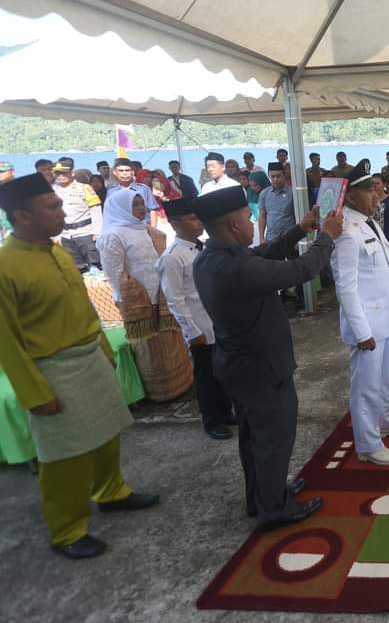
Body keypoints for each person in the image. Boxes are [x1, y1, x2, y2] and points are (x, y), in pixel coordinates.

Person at [0, 174, 159, 560]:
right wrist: (35, 393)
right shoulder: (6, 265)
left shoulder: (56, 252)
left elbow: (83, 307)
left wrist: (103, 347)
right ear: (21, 216)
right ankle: (67, 530)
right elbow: (7, 342)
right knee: (64, 456)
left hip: (89, 357)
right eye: (51, 207)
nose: (61, 212)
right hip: (53, 369)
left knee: (107, 432)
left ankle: (112, 492)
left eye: (59, 204)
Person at [192, 186, 342, 532]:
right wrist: (327, 238)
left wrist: (299, 230)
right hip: (261, 367)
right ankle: (274, 508)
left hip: (238, 365)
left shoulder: (213, 259)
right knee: (274, 438)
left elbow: (265, 253)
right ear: (233, 225)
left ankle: (260, 495)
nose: (252, 223)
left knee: (254, 436)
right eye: (247, 218)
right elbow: (299, 271)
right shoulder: (234, 267)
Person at [330, 169, 389, 465]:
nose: (376, 196)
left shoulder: (369, 223)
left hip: (383, 318)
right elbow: (346, 287)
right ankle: (367, 444)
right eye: (369, 191)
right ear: (351, 196)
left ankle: (386, 421)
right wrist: (361, 331)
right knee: (365, 386)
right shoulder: (345, 231)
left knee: (383, 378)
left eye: (376, 189)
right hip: (366, 324)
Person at [96, 188, 192, 401]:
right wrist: (135, 298)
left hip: (161, 294)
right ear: (121, 208)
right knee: (150, 347)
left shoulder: (147, 230)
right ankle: (159, 391)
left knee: (170, 339)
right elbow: (115, 274)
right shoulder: (113, 235)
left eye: (142, 203)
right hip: (137, 300)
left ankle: (181, 383)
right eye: (135, 205)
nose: (142, 208)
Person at [156, 198, 234, 440]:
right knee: (206, 376)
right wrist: (191, 331)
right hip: (199, 325)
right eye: (192, 218)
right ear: (175, 224)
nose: (199, 222)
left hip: (217, 320)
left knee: (222, 370)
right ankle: (212, 420)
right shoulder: (172, 257)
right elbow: (175, 299)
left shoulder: (205, 247)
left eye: (199, 217)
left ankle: (225, 411)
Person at [52, 163, 103, 273]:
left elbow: (95, 210)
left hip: (85, 233)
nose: (61, 175)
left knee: (94, 265)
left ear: (72, 173)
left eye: (64, 173)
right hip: (65, 235)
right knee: (75, 267)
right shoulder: (52, 191)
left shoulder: (84, 188)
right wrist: (56, 235)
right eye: (57, 173)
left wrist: (97, 231)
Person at [108, 158, 158, 226]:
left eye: (127, 170)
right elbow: (110, 212)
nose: (124, 173)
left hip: (143, 227)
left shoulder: (143, 189)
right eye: (121, 171)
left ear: (132, 172)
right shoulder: (111, 192)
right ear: (115, 172)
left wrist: (153, 228)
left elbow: (153, 210)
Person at [259, 162, 294, 244]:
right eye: (273, 177)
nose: (275, 179)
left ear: (284, 176)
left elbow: (298, 217)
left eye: (278, 176)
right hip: (271, 238)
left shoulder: (292, 193)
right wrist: (261, 238)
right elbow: (262, 216)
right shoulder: (264, 194)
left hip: (290, 238)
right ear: (269, 176)